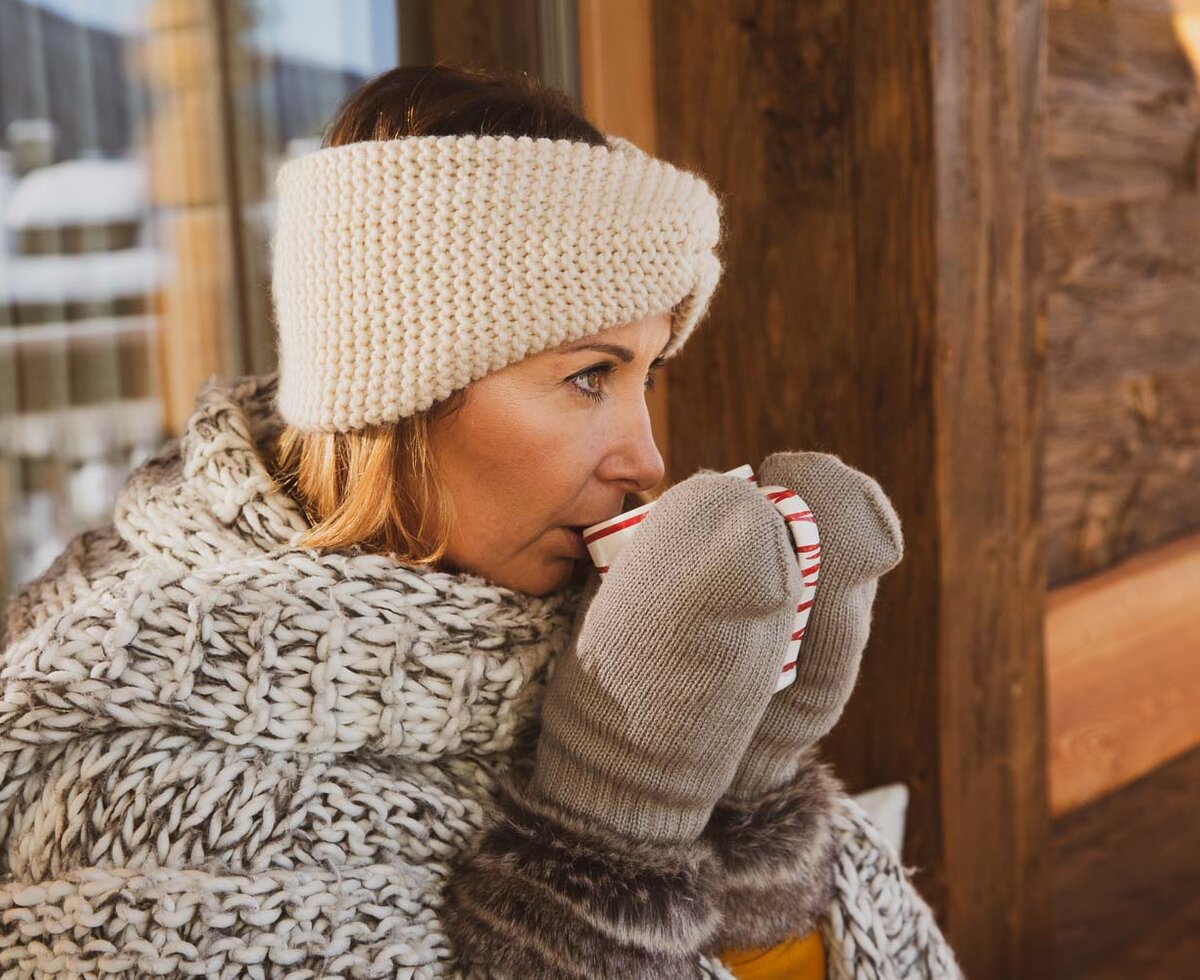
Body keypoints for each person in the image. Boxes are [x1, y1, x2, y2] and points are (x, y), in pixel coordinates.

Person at [0, 65, 960, 978]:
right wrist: (606, 839)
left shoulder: (622, 652)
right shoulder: (141, 788)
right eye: (590, 375)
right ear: (398, 397)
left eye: (647, 375)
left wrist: (749, 804)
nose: (649, 460)